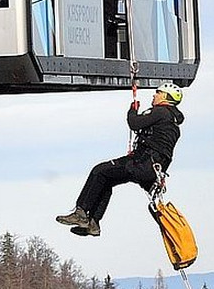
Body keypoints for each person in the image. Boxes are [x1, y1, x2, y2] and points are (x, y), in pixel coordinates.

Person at [55, 82, 185, 237]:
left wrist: (132, 110)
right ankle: (93, 223)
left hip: (141, 163)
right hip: (150, 168)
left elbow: (134, 123)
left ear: (165, 96)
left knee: (99, 171)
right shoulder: (172, 122)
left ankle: (81, 213)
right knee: (107, 179)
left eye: (157, 93)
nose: (154, 95)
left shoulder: (161, 112)